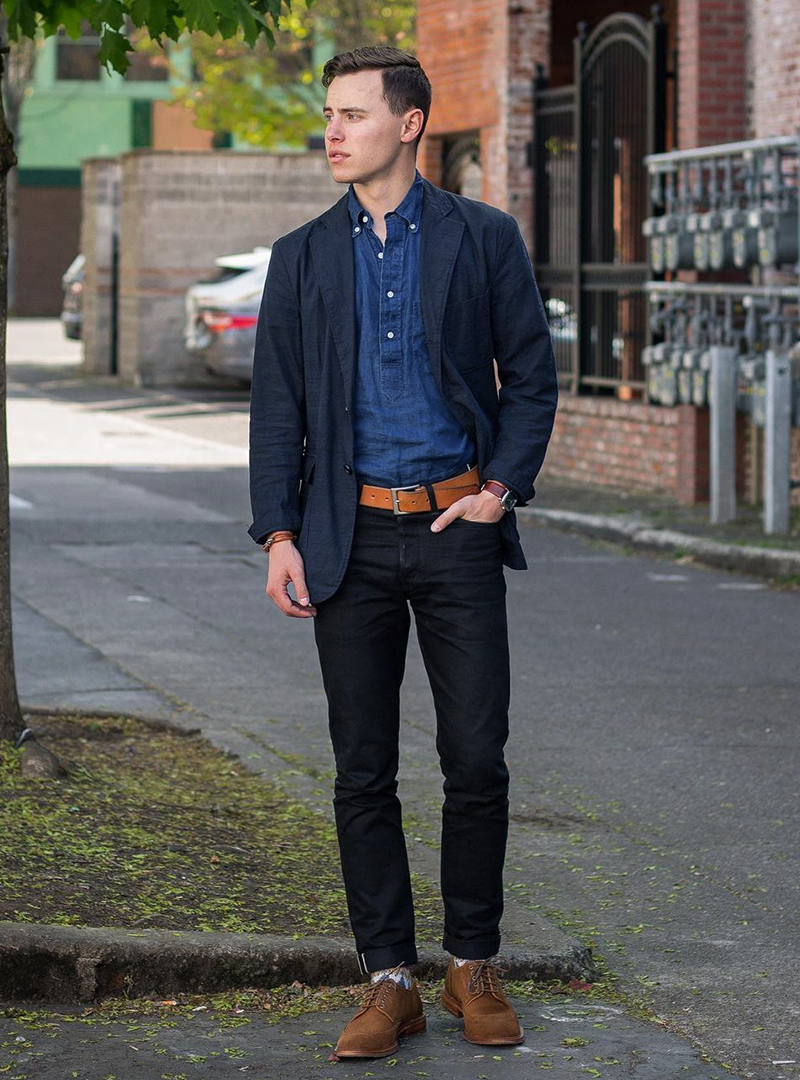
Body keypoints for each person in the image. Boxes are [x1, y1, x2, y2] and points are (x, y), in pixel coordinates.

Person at [248, 44, 558, 1060]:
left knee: (475, 758)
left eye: (352, 114)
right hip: (346, 538)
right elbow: (277, 409)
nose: (332, 133)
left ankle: (472, 962)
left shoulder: (482, 239)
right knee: (360, 769)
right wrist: (278, 534)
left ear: (409, 123)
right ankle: (388, 979)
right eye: (327, 116)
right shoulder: (301, 256)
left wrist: (497, 492)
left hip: (453, 531)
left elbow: (531, 377)